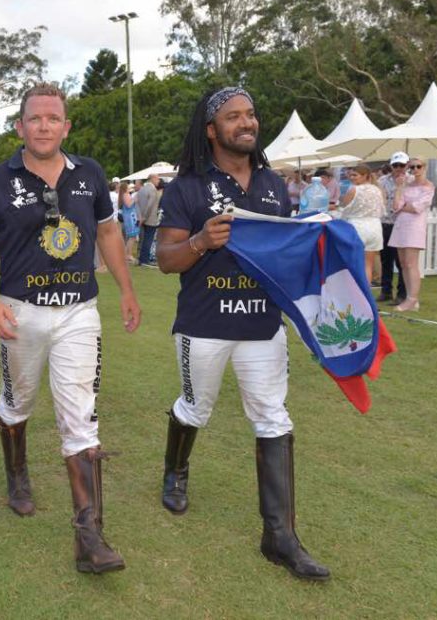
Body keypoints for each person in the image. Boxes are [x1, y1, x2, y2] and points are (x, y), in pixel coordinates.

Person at [0, 82, 142, 574]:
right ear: (20, 127)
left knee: (80, 417)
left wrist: (126, 289)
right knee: (18, 401)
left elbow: (108, 231)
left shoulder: (90, 175)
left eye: (53, 118)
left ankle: (90, 533)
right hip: (20, 311)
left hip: (78, 312)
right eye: (34, 119)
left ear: (66, 126)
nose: (44, 126)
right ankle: (17, 473)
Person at [155, 86, 330, 581]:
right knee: (196, 407)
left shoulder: (274, 184)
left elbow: (288, 251)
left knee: (273, 416)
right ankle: (176, 471)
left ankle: (280, 537)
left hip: (261, 324)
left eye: (251, 114)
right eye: (233, 116)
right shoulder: (187, 187)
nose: (246, 123)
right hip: (204, 324)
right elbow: (166, 260)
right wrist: (199, 240)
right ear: (212, 129)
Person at [388, 157, 435, 311]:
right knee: (403, 264)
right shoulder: (406, 185)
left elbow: (417, 207)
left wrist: (404, 206)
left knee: (411, 263)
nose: (415, 170)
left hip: (415, 226)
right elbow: (396, 205)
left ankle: (412, 299)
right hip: (401, 225)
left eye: (418, 167)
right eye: (412, 167)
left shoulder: (428, 186)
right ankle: (410, 297)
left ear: (424, 167)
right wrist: (400, 188)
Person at [340, 164, 386, 284]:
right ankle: (365, 296)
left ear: (365, 176)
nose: (352, 178)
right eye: (351, 175)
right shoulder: (378, 190)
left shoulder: (354, 190)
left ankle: (355, 295)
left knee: (354, 265)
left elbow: (344, 211)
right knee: (368, 265)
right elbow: (382, 211)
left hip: (358, 228)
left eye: (355, 175)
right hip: (374, 228)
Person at [378, 153, 409, 305]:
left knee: (401, 261)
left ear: (407, 165)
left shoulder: (411, 180)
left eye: (401, 165)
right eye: (395, 165)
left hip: (402, 223)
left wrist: (400, 187)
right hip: (386, 222)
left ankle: (402, 293)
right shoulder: (383, 180)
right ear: (391, 166)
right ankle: (386, 290)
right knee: (386, 259)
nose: (398, 168)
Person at [136, 173, 161, 267]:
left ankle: (141, 259)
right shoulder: (153, 190)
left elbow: (137, 203)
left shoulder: (141, 189)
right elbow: (150, 205)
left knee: (142, 239)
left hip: (141, 218)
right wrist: (144, 217)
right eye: (158, 179)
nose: (159, 181)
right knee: (148, 240)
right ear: (153, 179)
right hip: (150, 219)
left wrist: (140, 216)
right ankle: (144, 260)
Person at [119, 181, 139, 261]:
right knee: (132, 236)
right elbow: (129, 205)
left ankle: (127, 254)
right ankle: (128, 254)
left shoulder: (125, 195)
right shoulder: (125, 195)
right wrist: (134, 199)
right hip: (130, 217)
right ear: (125, 188)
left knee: (132, 236)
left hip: (131, 216)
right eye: (128, 187)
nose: (129, 188)